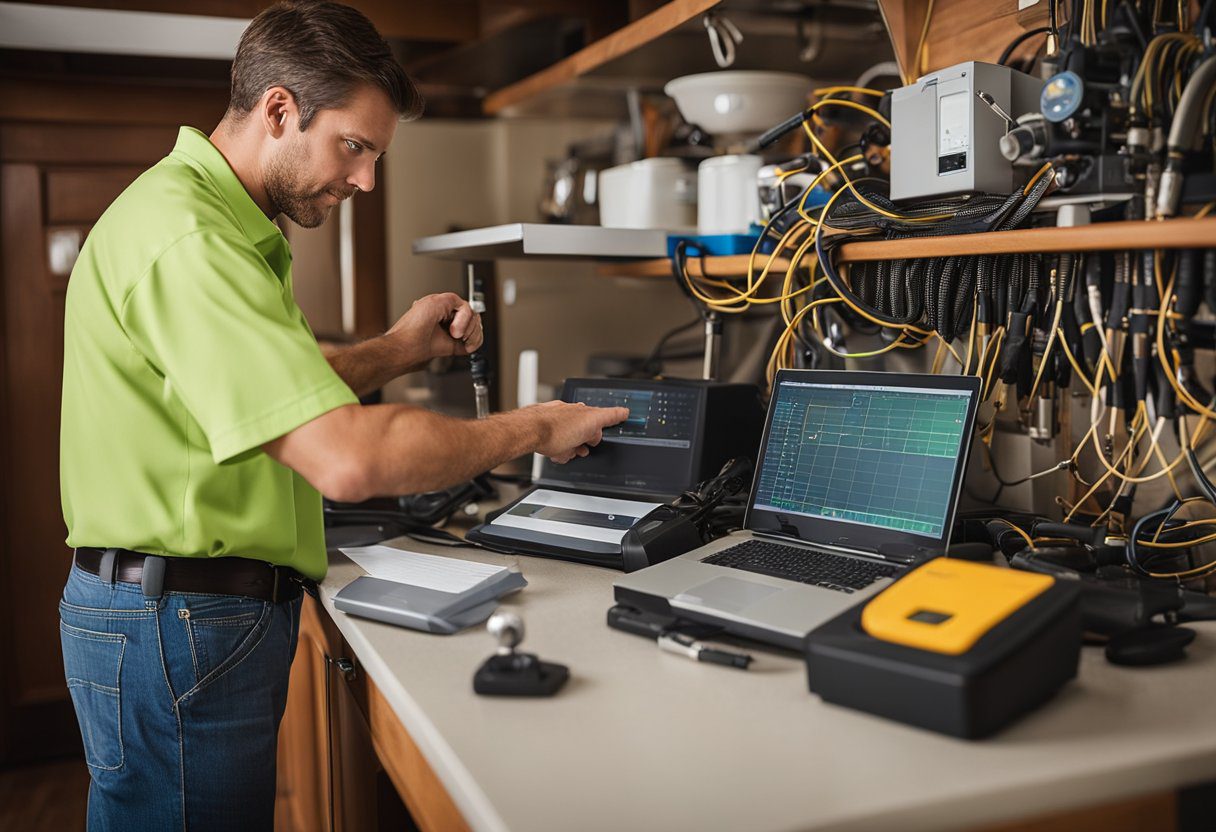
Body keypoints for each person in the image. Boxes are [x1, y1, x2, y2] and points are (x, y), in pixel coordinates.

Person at [57, 2, 627, 828]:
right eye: (354, 147)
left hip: (176, 613)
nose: (365, 179)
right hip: (176, 622)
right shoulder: (192, 239)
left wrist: (398, 350)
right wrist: (536, 426)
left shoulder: (204, 218)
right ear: (280, 109)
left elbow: (260, 388)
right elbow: (347, 459)